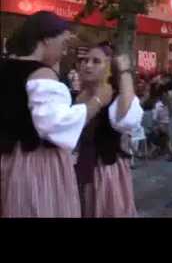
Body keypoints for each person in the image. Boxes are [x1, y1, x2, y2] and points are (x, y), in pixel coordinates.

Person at [0, 11, 111, 217]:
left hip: (9, 162)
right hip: (37, 165)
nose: (63, 52)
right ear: (45, 39)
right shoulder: (41, 73)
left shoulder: (6, 68)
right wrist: (97, 101)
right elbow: (56, 125)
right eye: (62, 45)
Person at [75, 43, 143, 217]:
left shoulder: (116, 97)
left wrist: (125, 72)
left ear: (109, 69)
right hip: (81, 166)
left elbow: (124, 119)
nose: (88, 65)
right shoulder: (80, 96)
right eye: (85, 60)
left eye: (96, 61)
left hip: (105, 170)